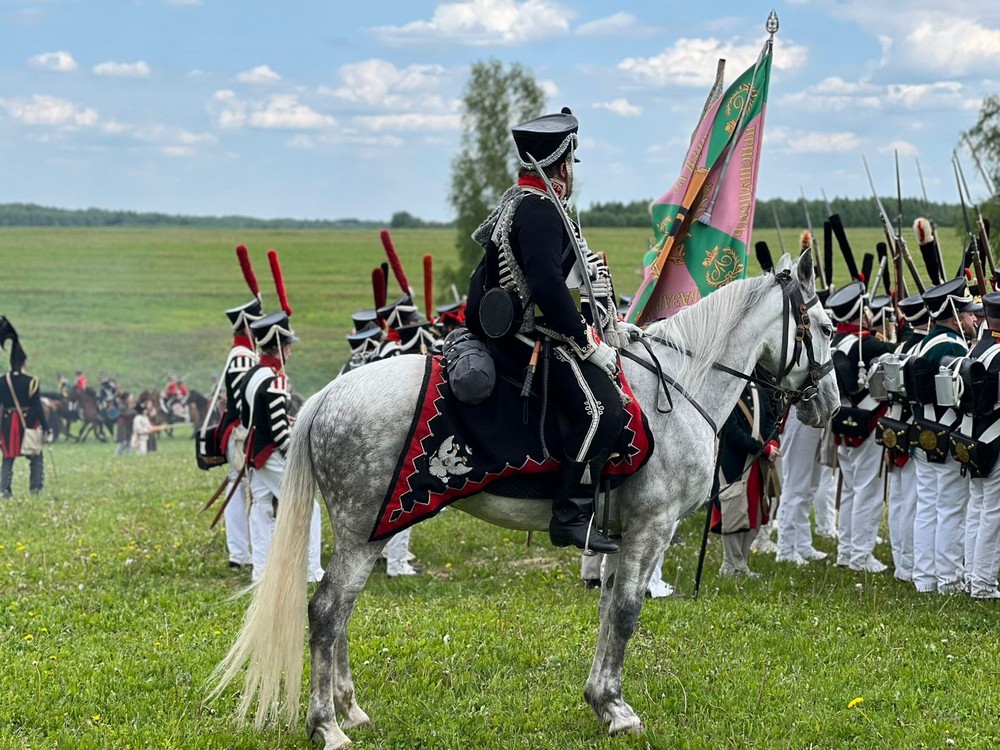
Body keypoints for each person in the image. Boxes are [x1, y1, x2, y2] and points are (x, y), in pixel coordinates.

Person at [466, 107, 631, 554]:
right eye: (570, 164)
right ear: (560, 164)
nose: (571, 173)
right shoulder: (539, 210)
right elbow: (545, 287)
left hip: (524, 327)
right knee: (602, 411)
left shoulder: (521, 202)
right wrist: (587, 343)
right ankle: (571, 515)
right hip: (526, 336)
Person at [241, 310, 325, 583]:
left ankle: (260, 571)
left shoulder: (252, 373)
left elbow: (248, 417)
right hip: (271, 455)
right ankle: (312, 570)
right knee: (308, 507)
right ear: (281, 347)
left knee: (261, 507)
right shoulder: (276, 379)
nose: (291, 350)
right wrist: (299, 456)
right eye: (289, 345)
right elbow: (279, 432)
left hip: (254, 452)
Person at [909, 277, 978, 594]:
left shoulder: (924, 342)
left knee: (927, 508)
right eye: (966, 312)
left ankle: (925, 578)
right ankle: (948, 579)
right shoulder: (951, 345)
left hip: (924, 434)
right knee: (951, 510)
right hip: (947, 435)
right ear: (953, 314)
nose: (972, 318)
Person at [826, 281, 896, 572]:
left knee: (851, 490)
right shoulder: (867, 344)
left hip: (843, 425)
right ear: (860, 310)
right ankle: (860, 556)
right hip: (867, 427)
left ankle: (846, 551)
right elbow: (900, 349)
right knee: (867, 493)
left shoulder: (834, 342)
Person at [713, 375, 780, 578]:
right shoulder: (727, 387)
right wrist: (763, 449)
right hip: (735, 460)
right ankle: (731, 565)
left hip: (757, 461)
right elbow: (731, 432)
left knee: (756, 514)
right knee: (734, 512)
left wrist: (773, 442)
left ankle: (741, 563)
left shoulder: (756, 387)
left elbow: (770, 418)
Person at [216, 298, 264, 571]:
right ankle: (241, 553)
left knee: (242, 491)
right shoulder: (244, 356)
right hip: (241, 433)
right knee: (244, 493)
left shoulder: (243, 353)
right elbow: (245, 400)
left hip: (240, 431)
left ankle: (241, 553)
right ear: (248, 326)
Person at [959, 291, 1000, 598]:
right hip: (994, 439)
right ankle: (983, 583)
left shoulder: (979, 347)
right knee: (992, 514)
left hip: (974, 437)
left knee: (978, 508)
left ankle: (973, 575)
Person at [0, 320, 49, 498]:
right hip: (27, 422)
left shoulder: (1, 381)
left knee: (7, 458)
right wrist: (45, 425)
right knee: (36, 457)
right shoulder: (31, 381)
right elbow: (36, 407)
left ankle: (5, 490)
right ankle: (35, 489)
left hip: (7, 424)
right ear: (23, 362)